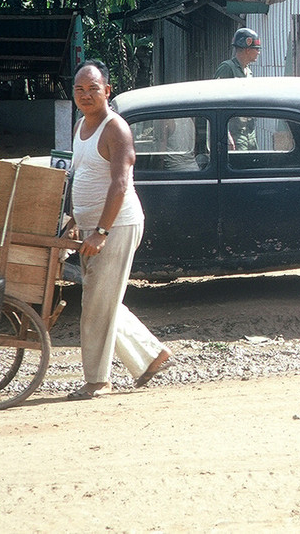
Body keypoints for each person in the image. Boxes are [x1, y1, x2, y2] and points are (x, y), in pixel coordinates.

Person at [67, 59, 172, 399]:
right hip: (90, 226)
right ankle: (151, 355)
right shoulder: (81, 126)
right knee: (103, 298)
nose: (86, 95)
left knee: (96, 303)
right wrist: (73, 220)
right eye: (80, 90)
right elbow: (81, 175)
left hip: (117, 225)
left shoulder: (116, 128)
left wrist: (102, 231)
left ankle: (98, 381)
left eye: (93, 89)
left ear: (107, 91)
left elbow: (120, 185)